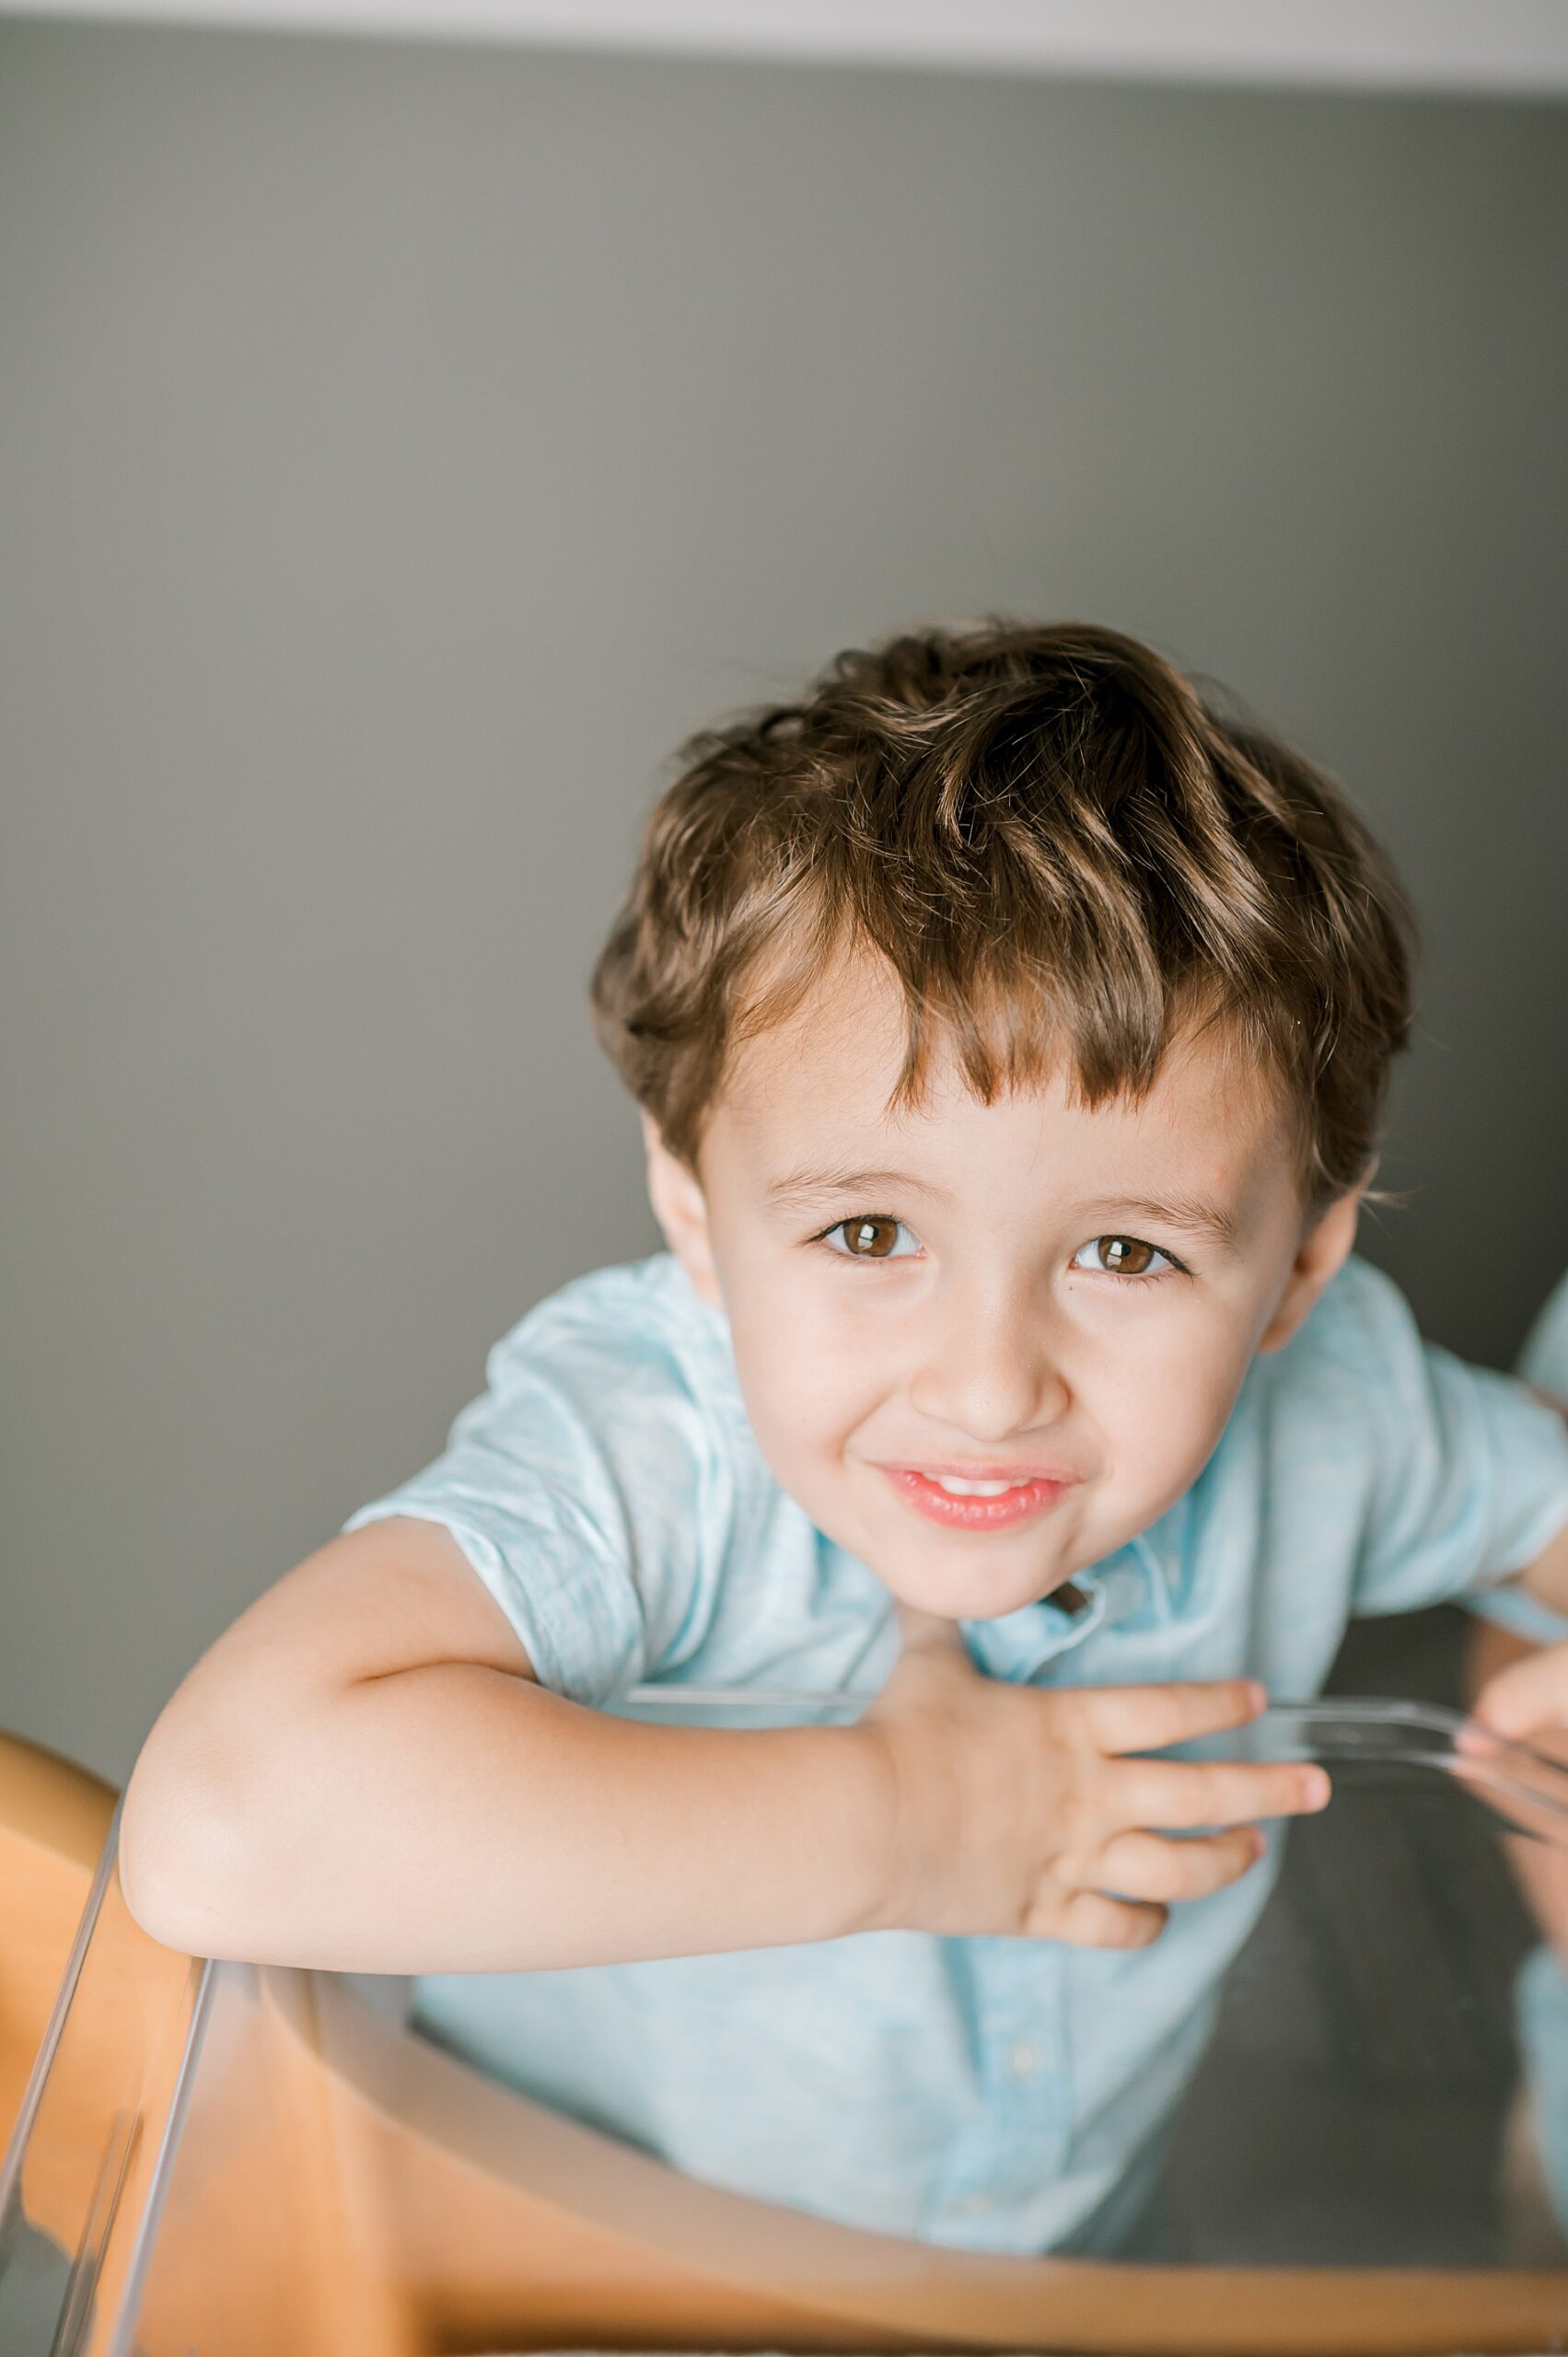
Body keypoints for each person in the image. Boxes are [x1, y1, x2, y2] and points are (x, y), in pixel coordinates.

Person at [118, 621, 1568, 2258]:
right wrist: (910, 1825)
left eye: (1126, 1252)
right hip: (557, 2288)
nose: (988, 1382)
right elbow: (220, 1824)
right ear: (691, 1202)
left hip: (1065, 2290)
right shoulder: (663, 1447)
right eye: (872, 1235)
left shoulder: (1336, 1409)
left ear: (1300, 1266)